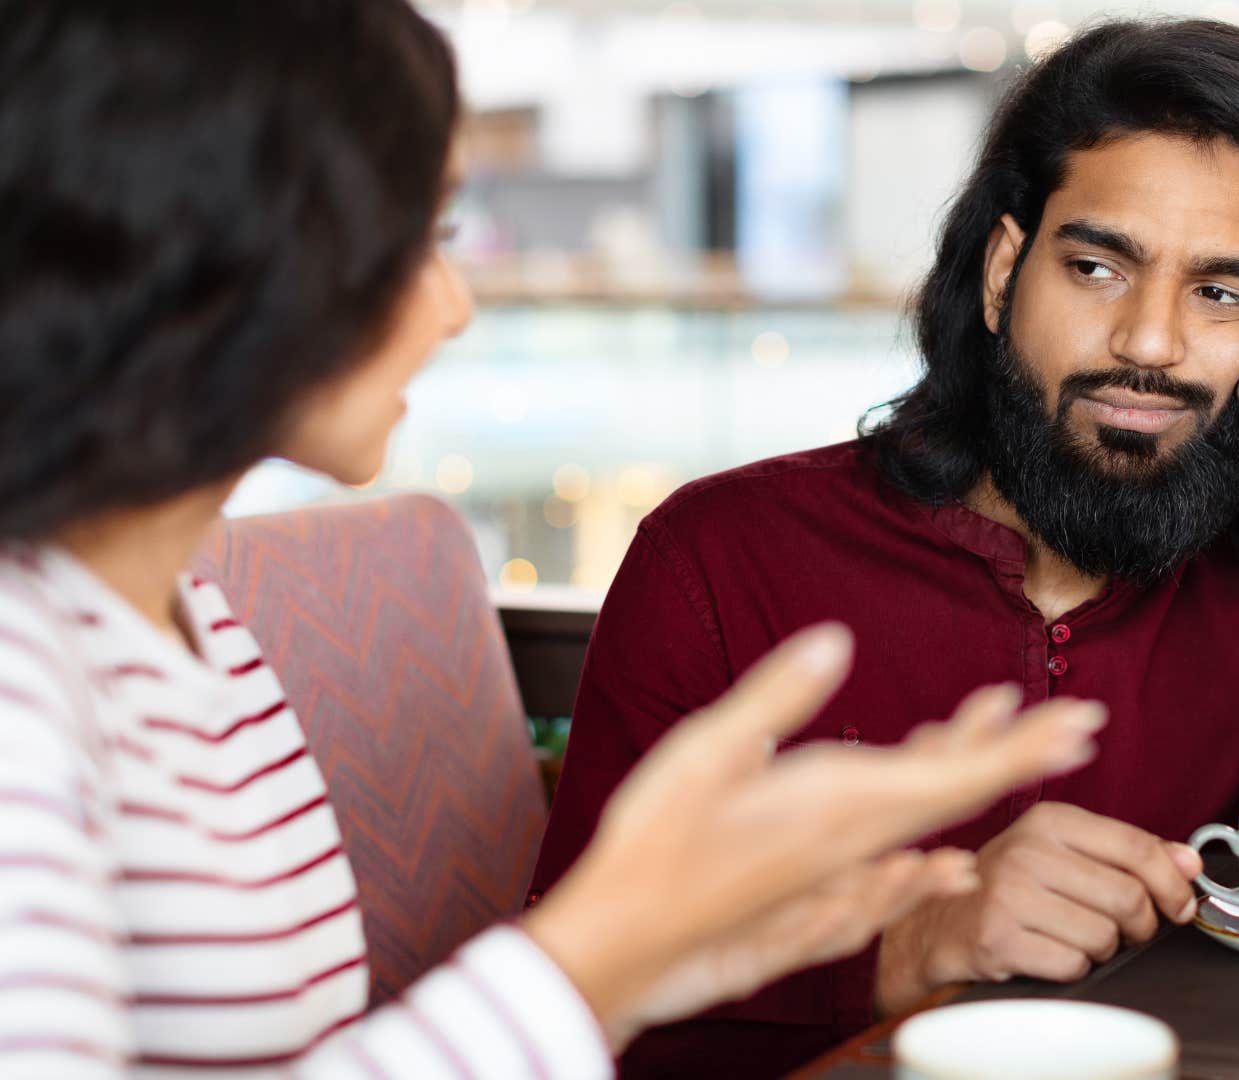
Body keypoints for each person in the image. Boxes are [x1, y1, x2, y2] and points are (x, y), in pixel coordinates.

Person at [532, 16, 1239, 1078]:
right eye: (1096, 268)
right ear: (999, 273)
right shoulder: (722, 561)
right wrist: (907, 946)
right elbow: (568, 1010)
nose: (1149, 341)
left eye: (1226, 294)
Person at [0, 2, 1112, 1076]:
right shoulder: (20, 669)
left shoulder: (190, 625)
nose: (455, 307)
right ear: (221, 244)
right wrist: (594, 954)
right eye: (418, 240)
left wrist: (669, 954)